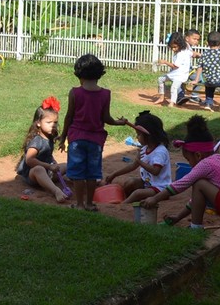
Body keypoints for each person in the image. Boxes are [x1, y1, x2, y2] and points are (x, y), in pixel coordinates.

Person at [143, 116, 220, 229]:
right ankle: (193, 225)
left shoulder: (206, 164)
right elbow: (197, 200)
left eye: (189, 159)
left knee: (199, 183)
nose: (190, 164)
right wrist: (179, 217)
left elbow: (180, 184)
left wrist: (155, 198)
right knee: (201, 185)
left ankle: (195, 228)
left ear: (198, 155)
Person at [57, 54, 129, 211]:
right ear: (99, 74)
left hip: (76, 139)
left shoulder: (75, 93)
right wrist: (120, 122)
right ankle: (89, 204)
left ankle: (79, 204)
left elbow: (69, 117)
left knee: (77, 172)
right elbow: (106, 118)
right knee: (92, 173)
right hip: (96, 140)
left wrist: (63, 137)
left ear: (79, 74)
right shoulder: (105, 94)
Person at [103, 110, 171, 205]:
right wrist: (114, 174)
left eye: (139, 134)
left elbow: (156, 171)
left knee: (137, 193)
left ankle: (123, 205)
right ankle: (122, 197)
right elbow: (133, 165)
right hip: (147, 183)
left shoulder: (160, 151)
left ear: (148, 136)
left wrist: (140, 162)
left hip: (160, 189)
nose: (137, 137)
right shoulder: (145, 148)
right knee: (130, 183)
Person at [15, 97, 71, 204]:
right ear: (38, 123)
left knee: (69, 165)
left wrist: (53, 162)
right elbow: (29, 160)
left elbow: (48, 153)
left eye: (55, 122)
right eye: (49, 122)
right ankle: (56, 191)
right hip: (34, 174)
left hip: (48, 172)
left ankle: (84, 179)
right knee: (39, 169)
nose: (53, 125)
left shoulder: (49, 136)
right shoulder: (37, 141)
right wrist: (49, 166)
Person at [192, 31, 220, 112]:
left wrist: (196, 79)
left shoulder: (204, 54)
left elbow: (200, 67)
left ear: (207, 43)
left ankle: (208, 104)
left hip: (210, 81)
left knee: (209, 89)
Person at [155, 31, 191, 107]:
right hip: (174, 73)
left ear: (180, 45)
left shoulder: (181, 54)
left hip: (180, 75)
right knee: (160, 79)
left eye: (175, 47)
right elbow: (191, 52)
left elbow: (175, 66)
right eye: (172, 47)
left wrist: (164, 62)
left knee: (174, 87)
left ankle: (172, 102)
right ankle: (162, 98)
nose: (173, 49)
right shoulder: (184, 49)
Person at [184, 28, 203, 104]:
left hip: (188, 69)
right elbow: (192, 53)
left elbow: (192, 54)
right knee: (199, 79)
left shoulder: (187, 45)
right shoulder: (185, 45)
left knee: (198, 79)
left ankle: (192, 96)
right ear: (187, 38)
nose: (196, 41)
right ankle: (194, 96)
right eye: (194, 39)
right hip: (185, 69)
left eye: (197, 39)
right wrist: (199, 55)